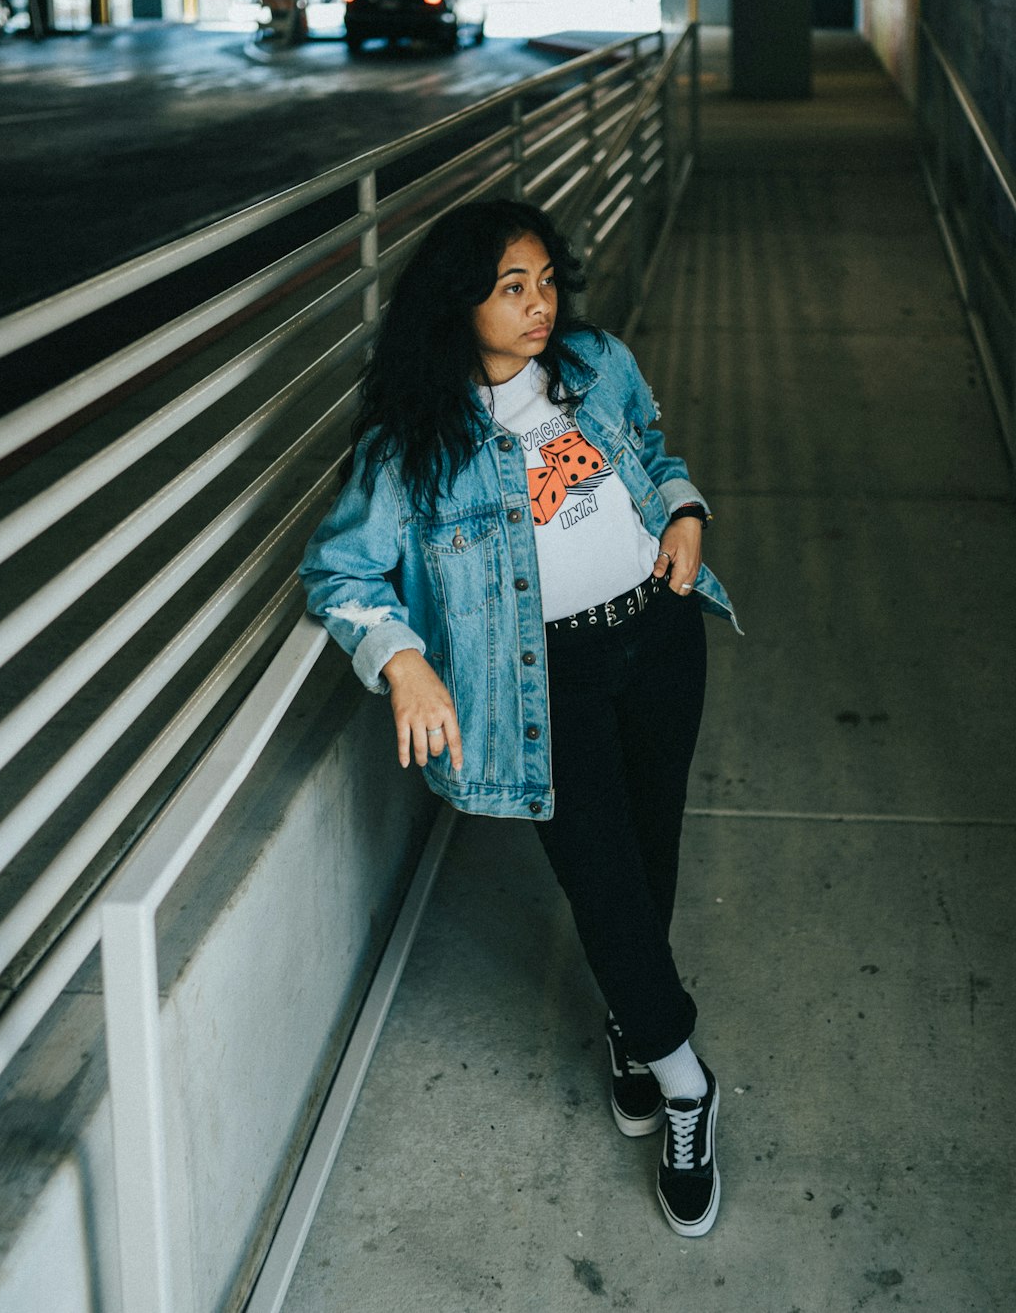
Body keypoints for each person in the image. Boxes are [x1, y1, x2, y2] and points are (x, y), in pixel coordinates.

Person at [299, 199, 739, 1238]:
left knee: (647, 853)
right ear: (461, 305)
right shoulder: (416, 446)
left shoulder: (596, 364)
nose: (540, 305)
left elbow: (654, 445)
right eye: (512, 288)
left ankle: (637, 1026)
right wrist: (402, 660)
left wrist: (683, 511)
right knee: (598, 870)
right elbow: (340, 570)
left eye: (546, 280)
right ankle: (684, 1085)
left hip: (661, 635)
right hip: (551, 682)